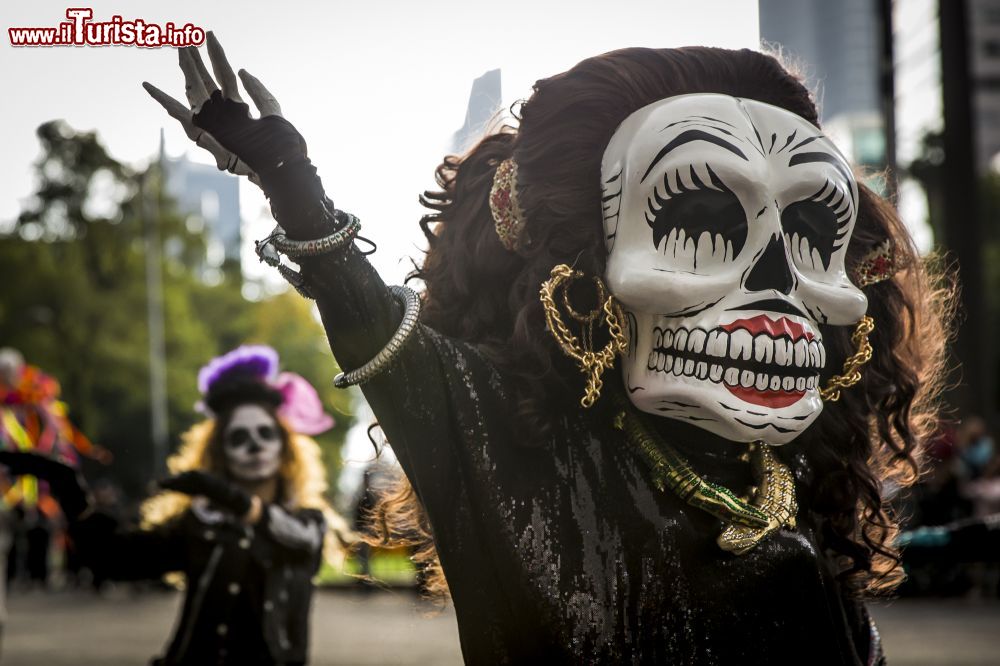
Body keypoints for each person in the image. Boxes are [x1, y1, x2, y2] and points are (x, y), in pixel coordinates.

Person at [143, 36, 951, 664]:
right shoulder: (512, 449)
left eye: (813, 233)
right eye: (702, 224)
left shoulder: (788, 482)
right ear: (585, 266)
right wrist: (293, 186)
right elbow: (384, 333)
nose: (776, 289)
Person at [0, 345, 349, 665]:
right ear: (220, 450)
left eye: (265, 434)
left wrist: (230, 497)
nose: (254, 446)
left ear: (285, 447)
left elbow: (296, 537)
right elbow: (112, 559)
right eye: (239, 437)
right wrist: (67, 487)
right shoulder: (200, 523)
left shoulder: (308, 524)